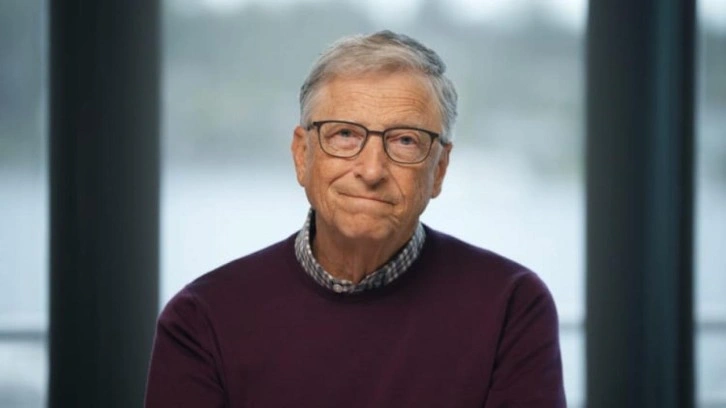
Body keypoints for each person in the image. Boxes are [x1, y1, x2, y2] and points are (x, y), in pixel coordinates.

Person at [145, 30, 566, 407]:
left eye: (405, 141)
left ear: (439, 169)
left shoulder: (511, 305)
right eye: (345, 134)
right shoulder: (202, 318)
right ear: (302, 155)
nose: (371, 169)